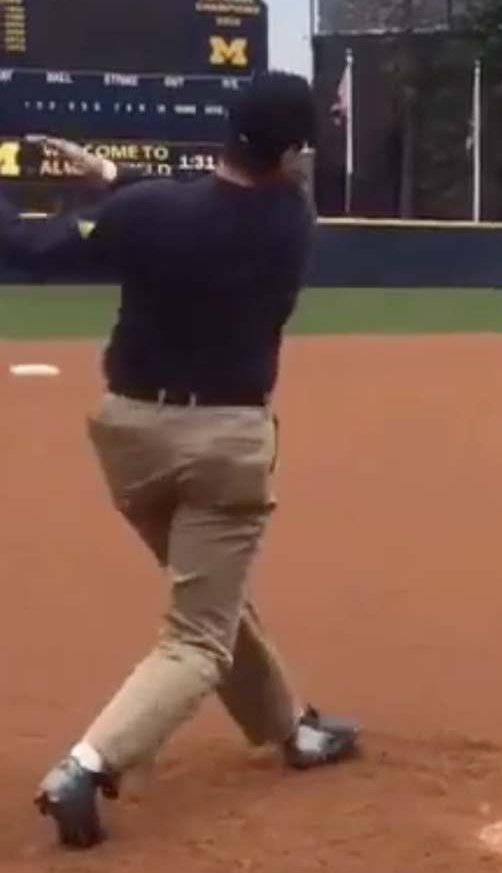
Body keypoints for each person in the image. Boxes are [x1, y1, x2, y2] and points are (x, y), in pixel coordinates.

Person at [0, 73, 359, 851]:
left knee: (215, 598)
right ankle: (87, 766)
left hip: (130, 441)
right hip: (224, 445)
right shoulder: (292, 221)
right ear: (291, 149)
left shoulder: (148, 213)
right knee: (198, 634)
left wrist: (105, 188)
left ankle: (290, 729)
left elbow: (35, 246)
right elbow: (206, 217)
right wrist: (116, 181)